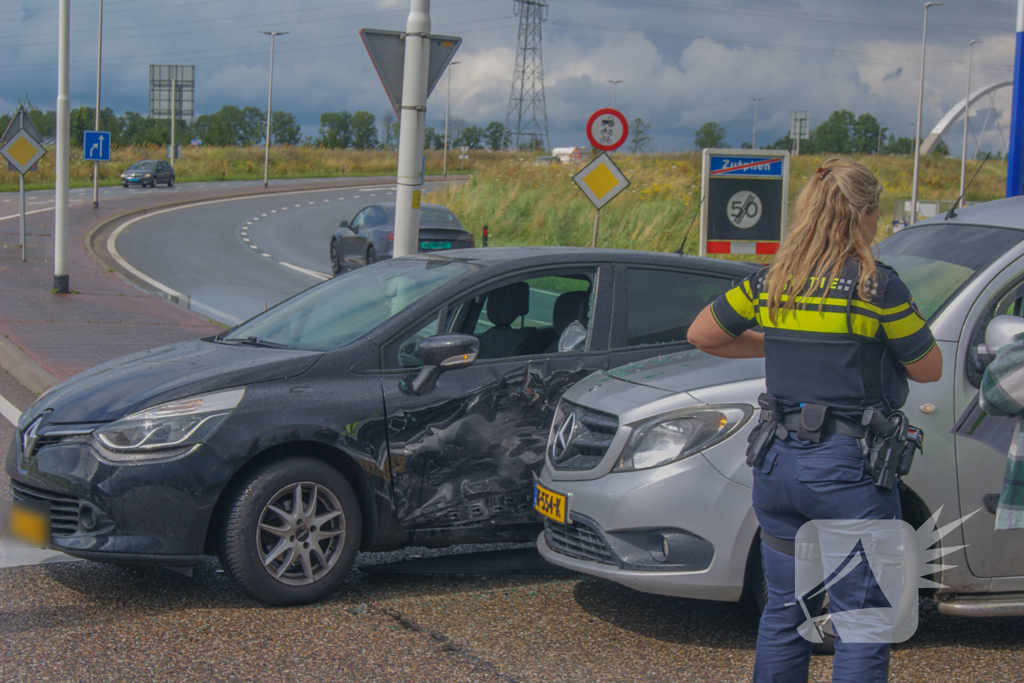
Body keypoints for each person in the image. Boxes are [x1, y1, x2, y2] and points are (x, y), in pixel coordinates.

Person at [687, 158, 943, 682]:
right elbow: (929, 367)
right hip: (848, 471)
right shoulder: (878, 288)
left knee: (785, 610)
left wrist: (776, 343)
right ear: (866, 215)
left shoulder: (773, 280)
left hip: (777, 464)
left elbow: (703, 334)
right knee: (862, 619)